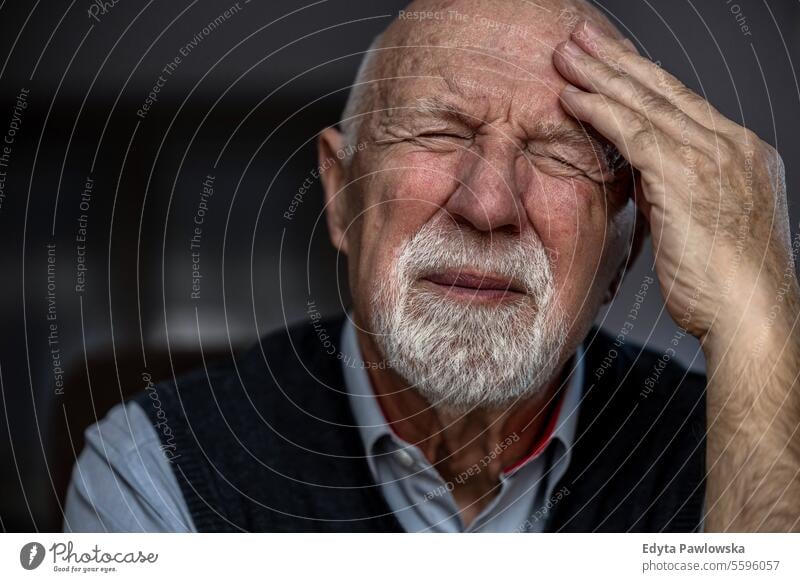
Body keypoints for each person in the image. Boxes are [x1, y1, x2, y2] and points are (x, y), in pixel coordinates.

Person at [64, 0, 800, 533]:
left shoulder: (752, 446)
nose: (487, 204)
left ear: (624, 249)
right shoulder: (153, 467)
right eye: (438, 132)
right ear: (342, 195)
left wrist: (757, 326)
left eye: (558, 153)